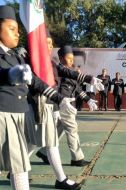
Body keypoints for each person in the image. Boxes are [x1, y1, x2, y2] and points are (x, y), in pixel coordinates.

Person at [0, 6, 81, 190]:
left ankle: (60, 178)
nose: (17, 33)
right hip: (4, 116)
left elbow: (37, 82)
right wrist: (10, 75)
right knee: (19, 164)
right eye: (11, 28)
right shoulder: (18, 57)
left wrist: (60, 99)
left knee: (19, 166)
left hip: (20, 114)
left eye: (17, 29)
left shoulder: (16, 57)